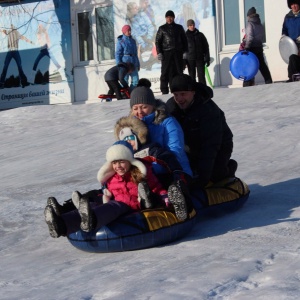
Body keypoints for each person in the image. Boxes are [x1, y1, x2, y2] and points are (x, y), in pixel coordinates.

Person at [44, 141, 170, 238]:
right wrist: (105, 195)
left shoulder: (141, 174)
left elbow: (157, 188)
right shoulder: (112, 178)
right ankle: (60, 224)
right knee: (94, 204)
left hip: (132, 205)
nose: (118, 166)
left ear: (130, 161)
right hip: (116, 202)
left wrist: (164, 197)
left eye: (121, 162)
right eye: (114, 163)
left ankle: (92, 220)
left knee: (112, 207)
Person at [166, 74, 238, 188]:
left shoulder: (208, 110)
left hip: (219, 145)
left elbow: (211, 145)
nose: (179, 99)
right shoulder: (171, 107)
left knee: (214, 175)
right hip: (190, 147)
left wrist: (203, 179)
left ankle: (228, 168)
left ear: (193, 92)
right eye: (176, 95)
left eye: (183, 94)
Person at [155, 10, 188, 94]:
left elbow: (184, 41)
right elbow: (158, 41)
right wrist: (159, 53)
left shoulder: (179, 28)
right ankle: (164, 90)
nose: (169, 19)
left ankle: (178, 89)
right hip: (166, 53)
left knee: (179, 72)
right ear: (165, 18)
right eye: (167, 17)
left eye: (171, 17)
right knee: (165, 72)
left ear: (173, 18)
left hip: (177, 53)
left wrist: (185, 52)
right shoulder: (162, 28)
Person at [243, 7, 273, 87]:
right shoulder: (259, 24)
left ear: (249, 16)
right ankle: (268, 80)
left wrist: (247, 47)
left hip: (252, 48)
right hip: (259, 47)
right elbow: (261, 37)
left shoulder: (250, 24)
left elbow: (250, 37)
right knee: (262, 65)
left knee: (249, 66)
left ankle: (247, 84)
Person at [0, 24, 34, 89]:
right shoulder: (8, 31)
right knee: (5, 66)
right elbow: (2, 31)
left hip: (15, 51)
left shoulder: (17, 33)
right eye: (11, 26)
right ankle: (1, 83)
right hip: (10, 51)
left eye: (13, 26)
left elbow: (24, 38)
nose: (12, 27)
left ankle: (24, 82)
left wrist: (30, 41)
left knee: (19, 66)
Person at [126, 2, 156, 71]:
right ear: (130, 10)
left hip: (148, 35)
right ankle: (140, 65)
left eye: (137, 7)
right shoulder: (128, 20)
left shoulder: (142, 14)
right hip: (138, 39)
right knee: (136, 49)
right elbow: (134, 33)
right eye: (135, 8)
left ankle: (150, 64)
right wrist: (141, 42)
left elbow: (150, 26)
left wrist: (149, 37)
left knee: (155, 48)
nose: (137, 9)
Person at [185, 19, 210, 85]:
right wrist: (184, 61)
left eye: (193, 25)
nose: (192, 26)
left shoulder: (200, 35)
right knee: (192, 77)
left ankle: (203, 91)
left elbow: (206, 47)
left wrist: (207, 58)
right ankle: (193, 92)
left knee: (201, 76)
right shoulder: (185, 36)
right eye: (190, 25)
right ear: (188, 26)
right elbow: (183, 49)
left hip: (200, 58)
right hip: (190, 59)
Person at [115, 25, 140, 91]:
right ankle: (124, 94)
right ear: (124, 32)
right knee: (125, 80)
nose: (129, 32)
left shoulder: (133, 41)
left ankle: (131, 93)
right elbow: (118, 54)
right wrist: (119, 64)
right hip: (125, 64)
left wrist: (138, 64)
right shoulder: (121, 41)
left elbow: (135, 53)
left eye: (130, 30)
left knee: (136, 80)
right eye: (127, 31)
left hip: (133, 63)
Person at [282, 0, 300, 82]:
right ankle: (292, 76)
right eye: (292, 4)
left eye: (295, 4)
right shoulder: (287, 17)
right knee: (292, 58)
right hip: (292, 44)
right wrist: (284, 36)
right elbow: (284, 29)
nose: (294, 6)